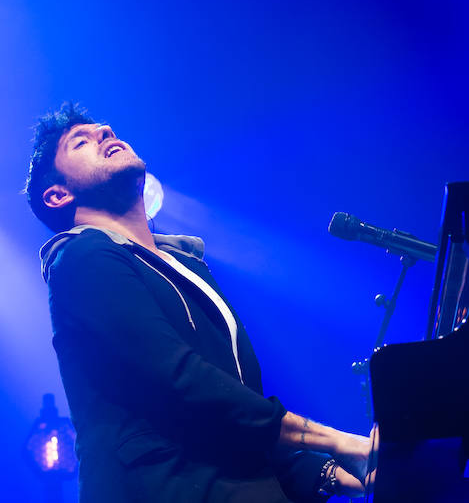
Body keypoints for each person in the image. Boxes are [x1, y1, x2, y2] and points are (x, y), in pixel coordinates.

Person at [27, 102, 374, 502]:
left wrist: (337, 474)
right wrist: (339, 443)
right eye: (81, 141)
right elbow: (182, 380)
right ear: (57, 195)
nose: (105, 131)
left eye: (104, 130)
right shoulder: (81, 257)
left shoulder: (185, 264)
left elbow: (227, 413)